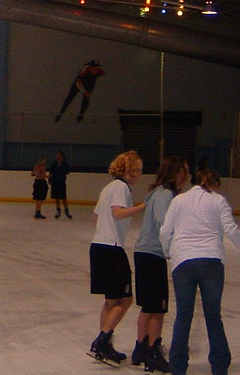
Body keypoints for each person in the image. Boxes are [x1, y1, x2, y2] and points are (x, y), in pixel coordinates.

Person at [159, 168, 240, 375]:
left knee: (183, 317)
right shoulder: (218, 201)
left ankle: (177, 367)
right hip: (211, 260)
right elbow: (231, 229)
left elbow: (165, 230)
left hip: (183, 260)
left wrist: (168, 251)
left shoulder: (179, 200)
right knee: (213, 316)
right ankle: (220, 367)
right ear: (214, 184)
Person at [131, 156, 191, 373]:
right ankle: (153, 350)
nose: (187, 176)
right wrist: (176, 246)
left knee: (150, 305)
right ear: (175, 173)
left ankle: (141, 347)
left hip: (145, 252)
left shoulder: (156, 192)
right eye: (184, 171)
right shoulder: (166, 195)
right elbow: (163, 223)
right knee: (158, 307)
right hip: (153, 254)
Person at [88, 150, 145, 365]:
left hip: (98, 246)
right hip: (111, 249)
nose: (138, 174)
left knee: (111, 300)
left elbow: (96, 217)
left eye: (140, 170)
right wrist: (142, 207)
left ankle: (105, 343)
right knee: (126, 298)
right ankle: (101, 340)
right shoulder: (121, 188)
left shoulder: (109, 188)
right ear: (126, 170)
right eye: (135, 170)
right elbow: (117, 213)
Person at [49, 150, 72, 219]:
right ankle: (58, 210)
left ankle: (66, 211)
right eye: (57, 156)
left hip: (61, 182)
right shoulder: (54, 164)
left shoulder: (65, 164)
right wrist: (50, 179)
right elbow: (51, 172)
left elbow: (67, 172)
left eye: (59, 156)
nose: (58, 157)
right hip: (55, 182)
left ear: (62, 157)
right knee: (57, 198)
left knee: (63, 198)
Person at [31, 155, 49, 220]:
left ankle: (37, 211)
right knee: (40, 199)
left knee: (38, 199)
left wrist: (36, 174)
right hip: (41, 183)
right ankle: (37, 212)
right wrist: (48, 177)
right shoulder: (43, 167)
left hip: (36, 183)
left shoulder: (36, 166)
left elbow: (32, 174)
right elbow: (43, 176)